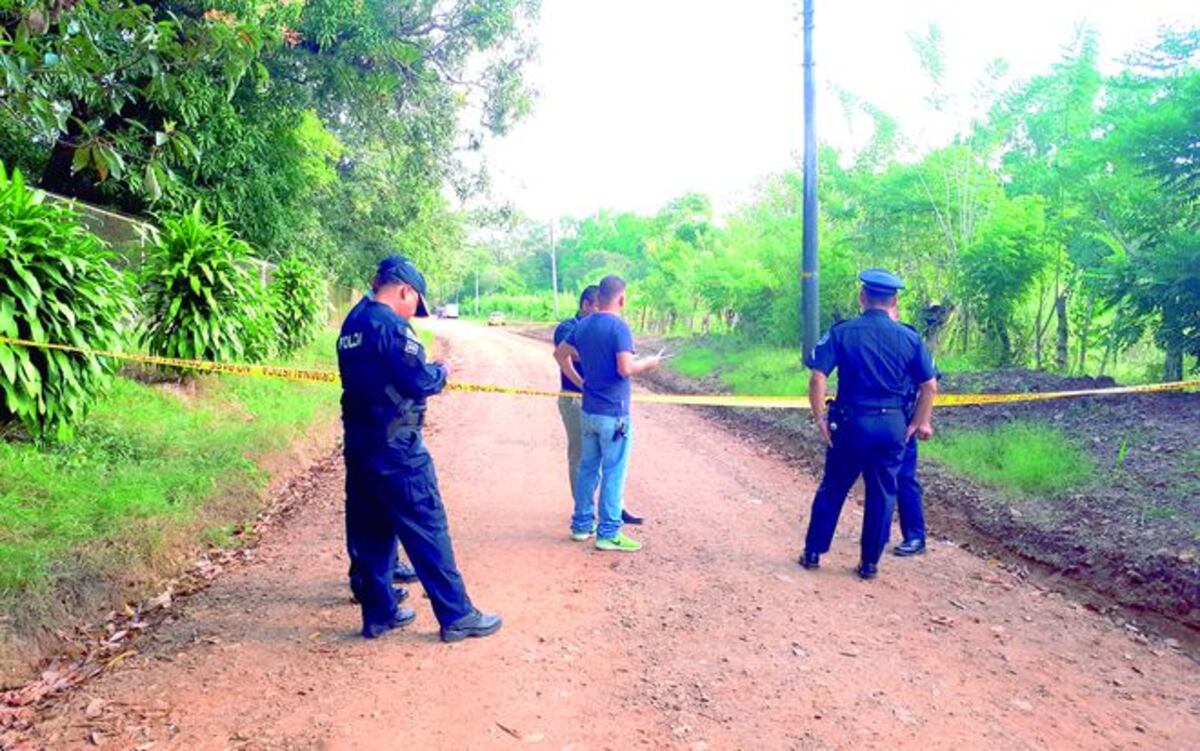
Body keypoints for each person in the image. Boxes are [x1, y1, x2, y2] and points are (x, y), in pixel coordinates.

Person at [338, 255, 501, 641]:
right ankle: (457, 615)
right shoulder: (392, 327)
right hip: (397, 448)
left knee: (372, 533)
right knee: (427, 527)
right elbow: (419, 381)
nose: (415, 312)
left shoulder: (352, 323)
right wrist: (441, 370)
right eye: (415, 303)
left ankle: (379, 615)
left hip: (359, 446)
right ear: (404, 291)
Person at [799, 269, 937, 580]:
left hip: (850, 424)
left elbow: (817, 377)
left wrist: (819, 416)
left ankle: (812, 552)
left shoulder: (842, 333)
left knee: (833, 487)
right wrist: (918, 422)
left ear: (862, 297)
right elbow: (930, 386)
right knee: (883, 492)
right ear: (894, 301)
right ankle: (869, 563)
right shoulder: (910, 337)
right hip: (892, 427)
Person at [553, 275, 660, 551]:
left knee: (587, 468)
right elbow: (625, 368)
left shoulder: (584, 325)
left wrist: (580, 383)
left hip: (589, 411)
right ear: (621, 298)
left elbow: (559, 354)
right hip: (615, 414)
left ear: (598, 298)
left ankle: (581, 526)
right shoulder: (619, 328)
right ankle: (609, 533)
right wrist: (648, 363)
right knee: (613, 471)